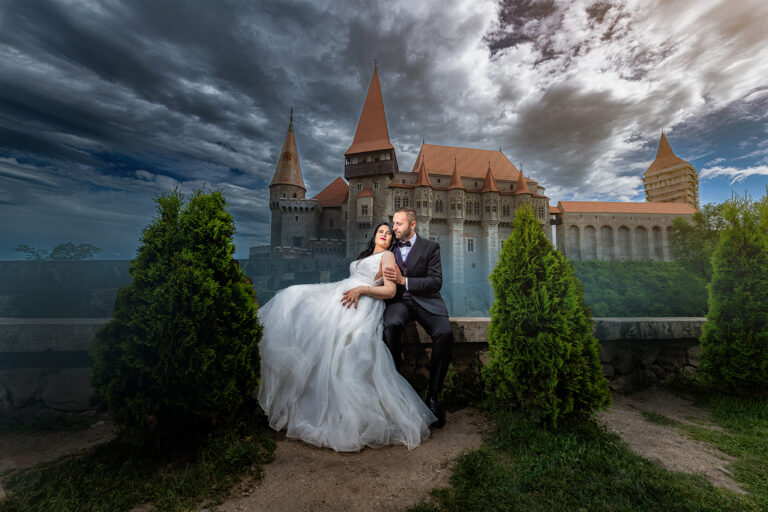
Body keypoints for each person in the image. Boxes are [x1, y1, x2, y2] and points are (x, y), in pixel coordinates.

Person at [257, 222, 437, 452]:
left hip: (362, 301)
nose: (384, 234)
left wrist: (362, 290)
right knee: (294, 297)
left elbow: (390, 291)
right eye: (381, 231)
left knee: (347, 348)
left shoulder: (388, 258)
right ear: (374, 236)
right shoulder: (364, 257)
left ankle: (346, 417)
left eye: (389, 233)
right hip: (341, 292)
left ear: (392, 240)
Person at [382, 207, 454, 428]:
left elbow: (435, 282)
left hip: (426, 301)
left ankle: (433, 396)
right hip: (399, 302)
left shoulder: (431, 247)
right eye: (393, 223)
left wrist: (405, 281)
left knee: (445, 333)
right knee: (391, 326)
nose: (393, 228)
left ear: (412, 225)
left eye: (398, 224)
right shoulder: (389, 246)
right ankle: (395, 387)